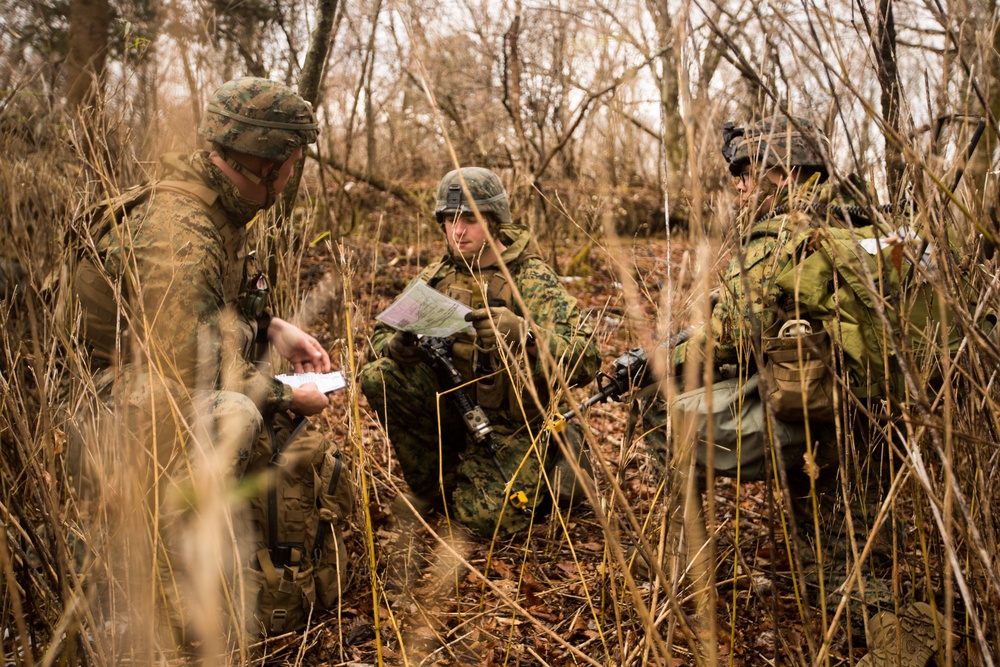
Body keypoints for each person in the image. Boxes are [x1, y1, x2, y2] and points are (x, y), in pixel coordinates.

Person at [640, 115, 951, 663]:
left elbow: (730, 338)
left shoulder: (781, 232)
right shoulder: (873, 222)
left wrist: (658, 359)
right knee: (842, 551)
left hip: (814, 421)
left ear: (784, 173)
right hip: (888, 421)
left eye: (745, 172)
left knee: (668, 417)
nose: (737, 185)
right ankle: (894, 611)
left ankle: (685, 567)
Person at [71, 77, 337, 650]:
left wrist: (274, 327)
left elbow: (213, 311)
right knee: (236, 413)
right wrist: (293, 395)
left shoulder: (216, 205)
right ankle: (166, 598)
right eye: (291, 161)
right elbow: (193, 371)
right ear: (266, 162)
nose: (293, 175)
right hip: (108, 406)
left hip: (151, 386)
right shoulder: (181, 231)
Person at [360, 167, 600, 538]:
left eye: (470, 219)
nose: (458, 231)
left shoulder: (530, 278)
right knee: (381, 377)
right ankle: (433, 486)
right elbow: (378, 342)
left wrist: (526, 334)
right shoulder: (436, 276)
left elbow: (588, 357)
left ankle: (554, 461)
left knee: (486, 520)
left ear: (494, 220)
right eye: (450, 220)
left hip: (513, 422)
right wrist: (396, 347)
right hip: (451, 413)